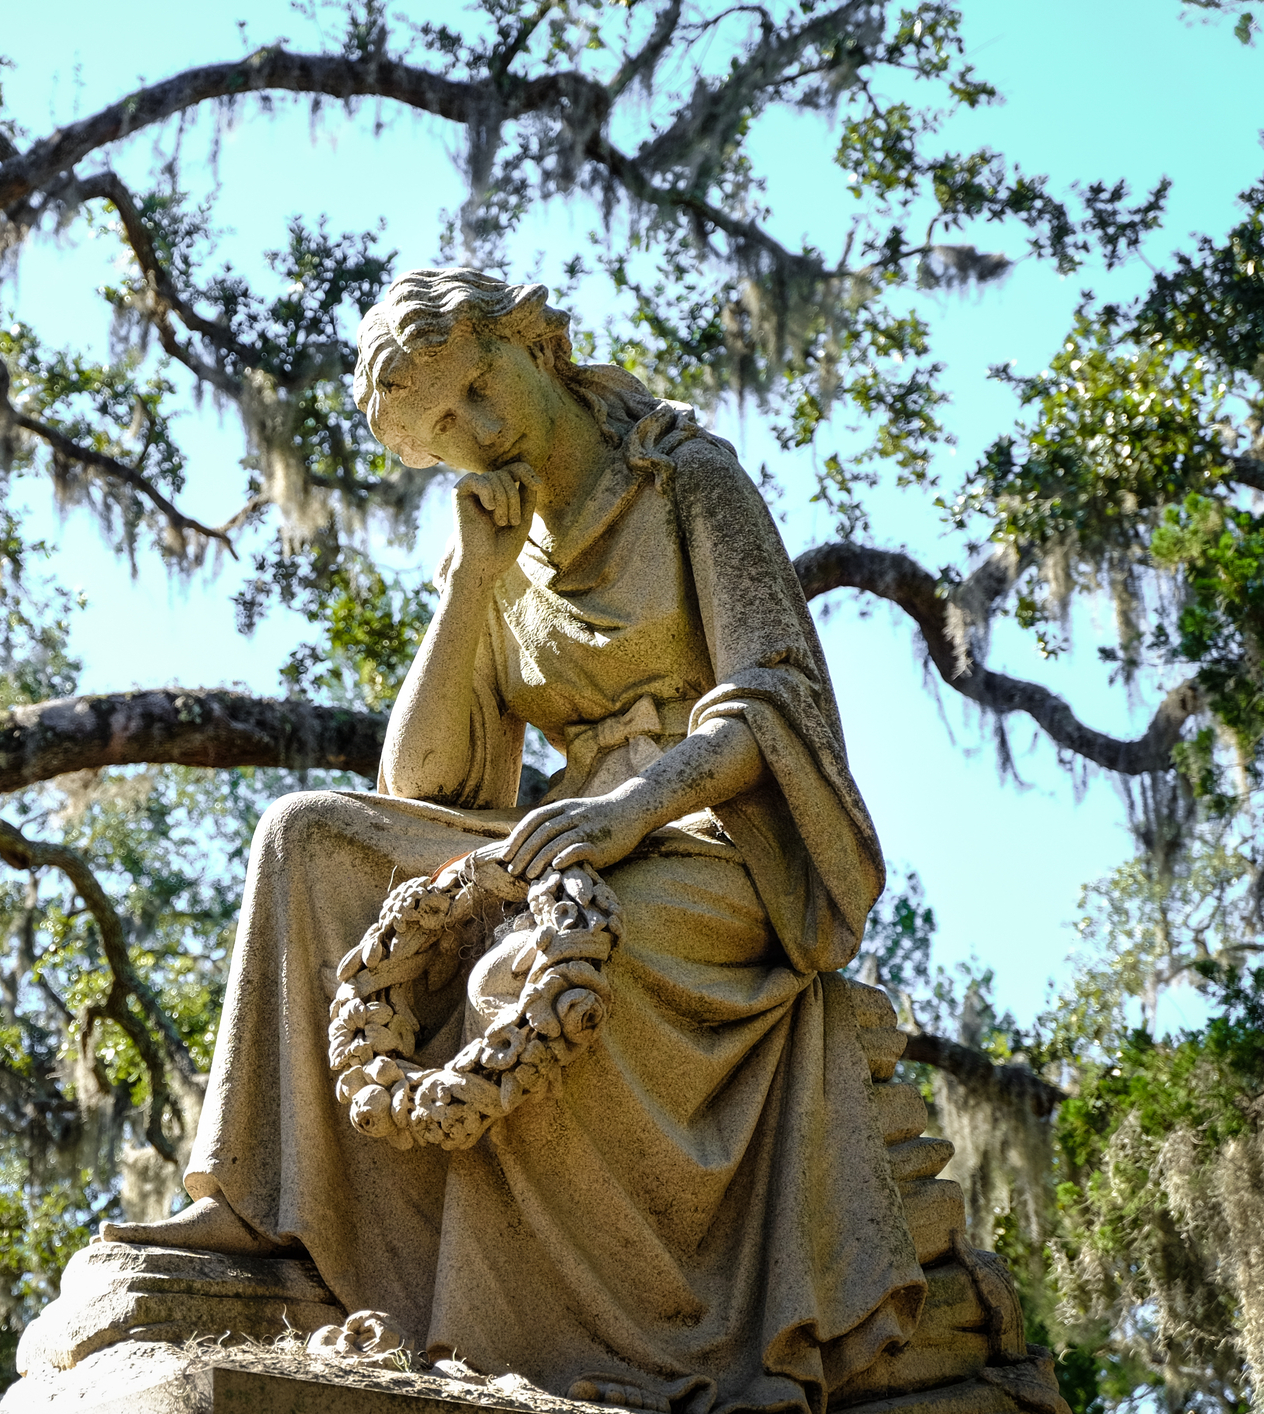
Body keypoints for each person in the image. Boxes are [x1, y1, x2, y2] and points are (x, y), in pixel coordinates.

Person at [102, 269, 924, 1413]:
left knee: (512, 978)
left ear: (532, 340)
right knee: (305, 834)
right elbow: (430, 782)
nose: (480, 433)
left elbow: (775, 699)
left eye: (481, 388)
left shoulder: (685, 479)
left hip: (706, 839)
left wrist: (632, 809)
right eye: (444, 431)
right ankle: (253, 1210)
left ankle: (542, 1340)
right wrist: (475, 584)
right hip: (554, 840)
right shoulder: (493, 544)